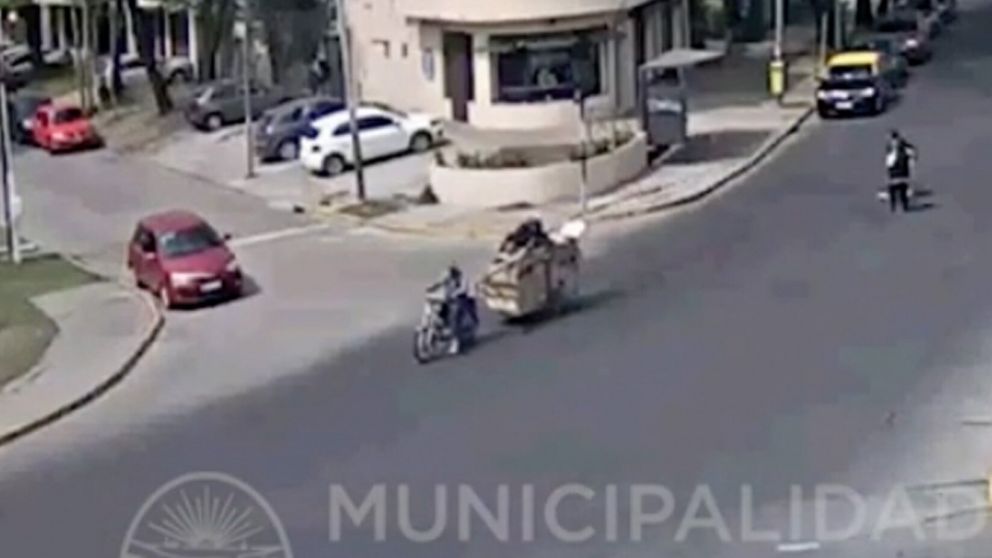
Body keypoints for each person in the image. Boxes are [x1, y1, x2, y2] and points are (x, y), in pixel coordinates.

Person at [428, 265, 474, 353]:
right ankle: (436, 333)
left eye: (453, 275)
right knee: (438, 313)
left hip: (460, 300)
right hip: (447, 300)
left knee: (454, 317)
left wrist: (455, 294)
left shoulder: (463, 278)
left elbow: (463, 289)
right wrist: (431, 288)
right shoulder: (446, 276)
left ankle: (455, 342)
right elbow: (438, 283)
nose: (450, 277)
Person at [885, 129, 917, 212]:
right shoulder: (890, 148)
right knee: (894, 188)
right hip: (895, 172)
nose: (894, 142)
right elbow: (888, 162)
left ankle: (903, 205)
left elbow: (912, 154)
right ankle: (895, 205)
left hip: (901, 171)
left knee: (901, 188)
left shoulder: (903, 147)